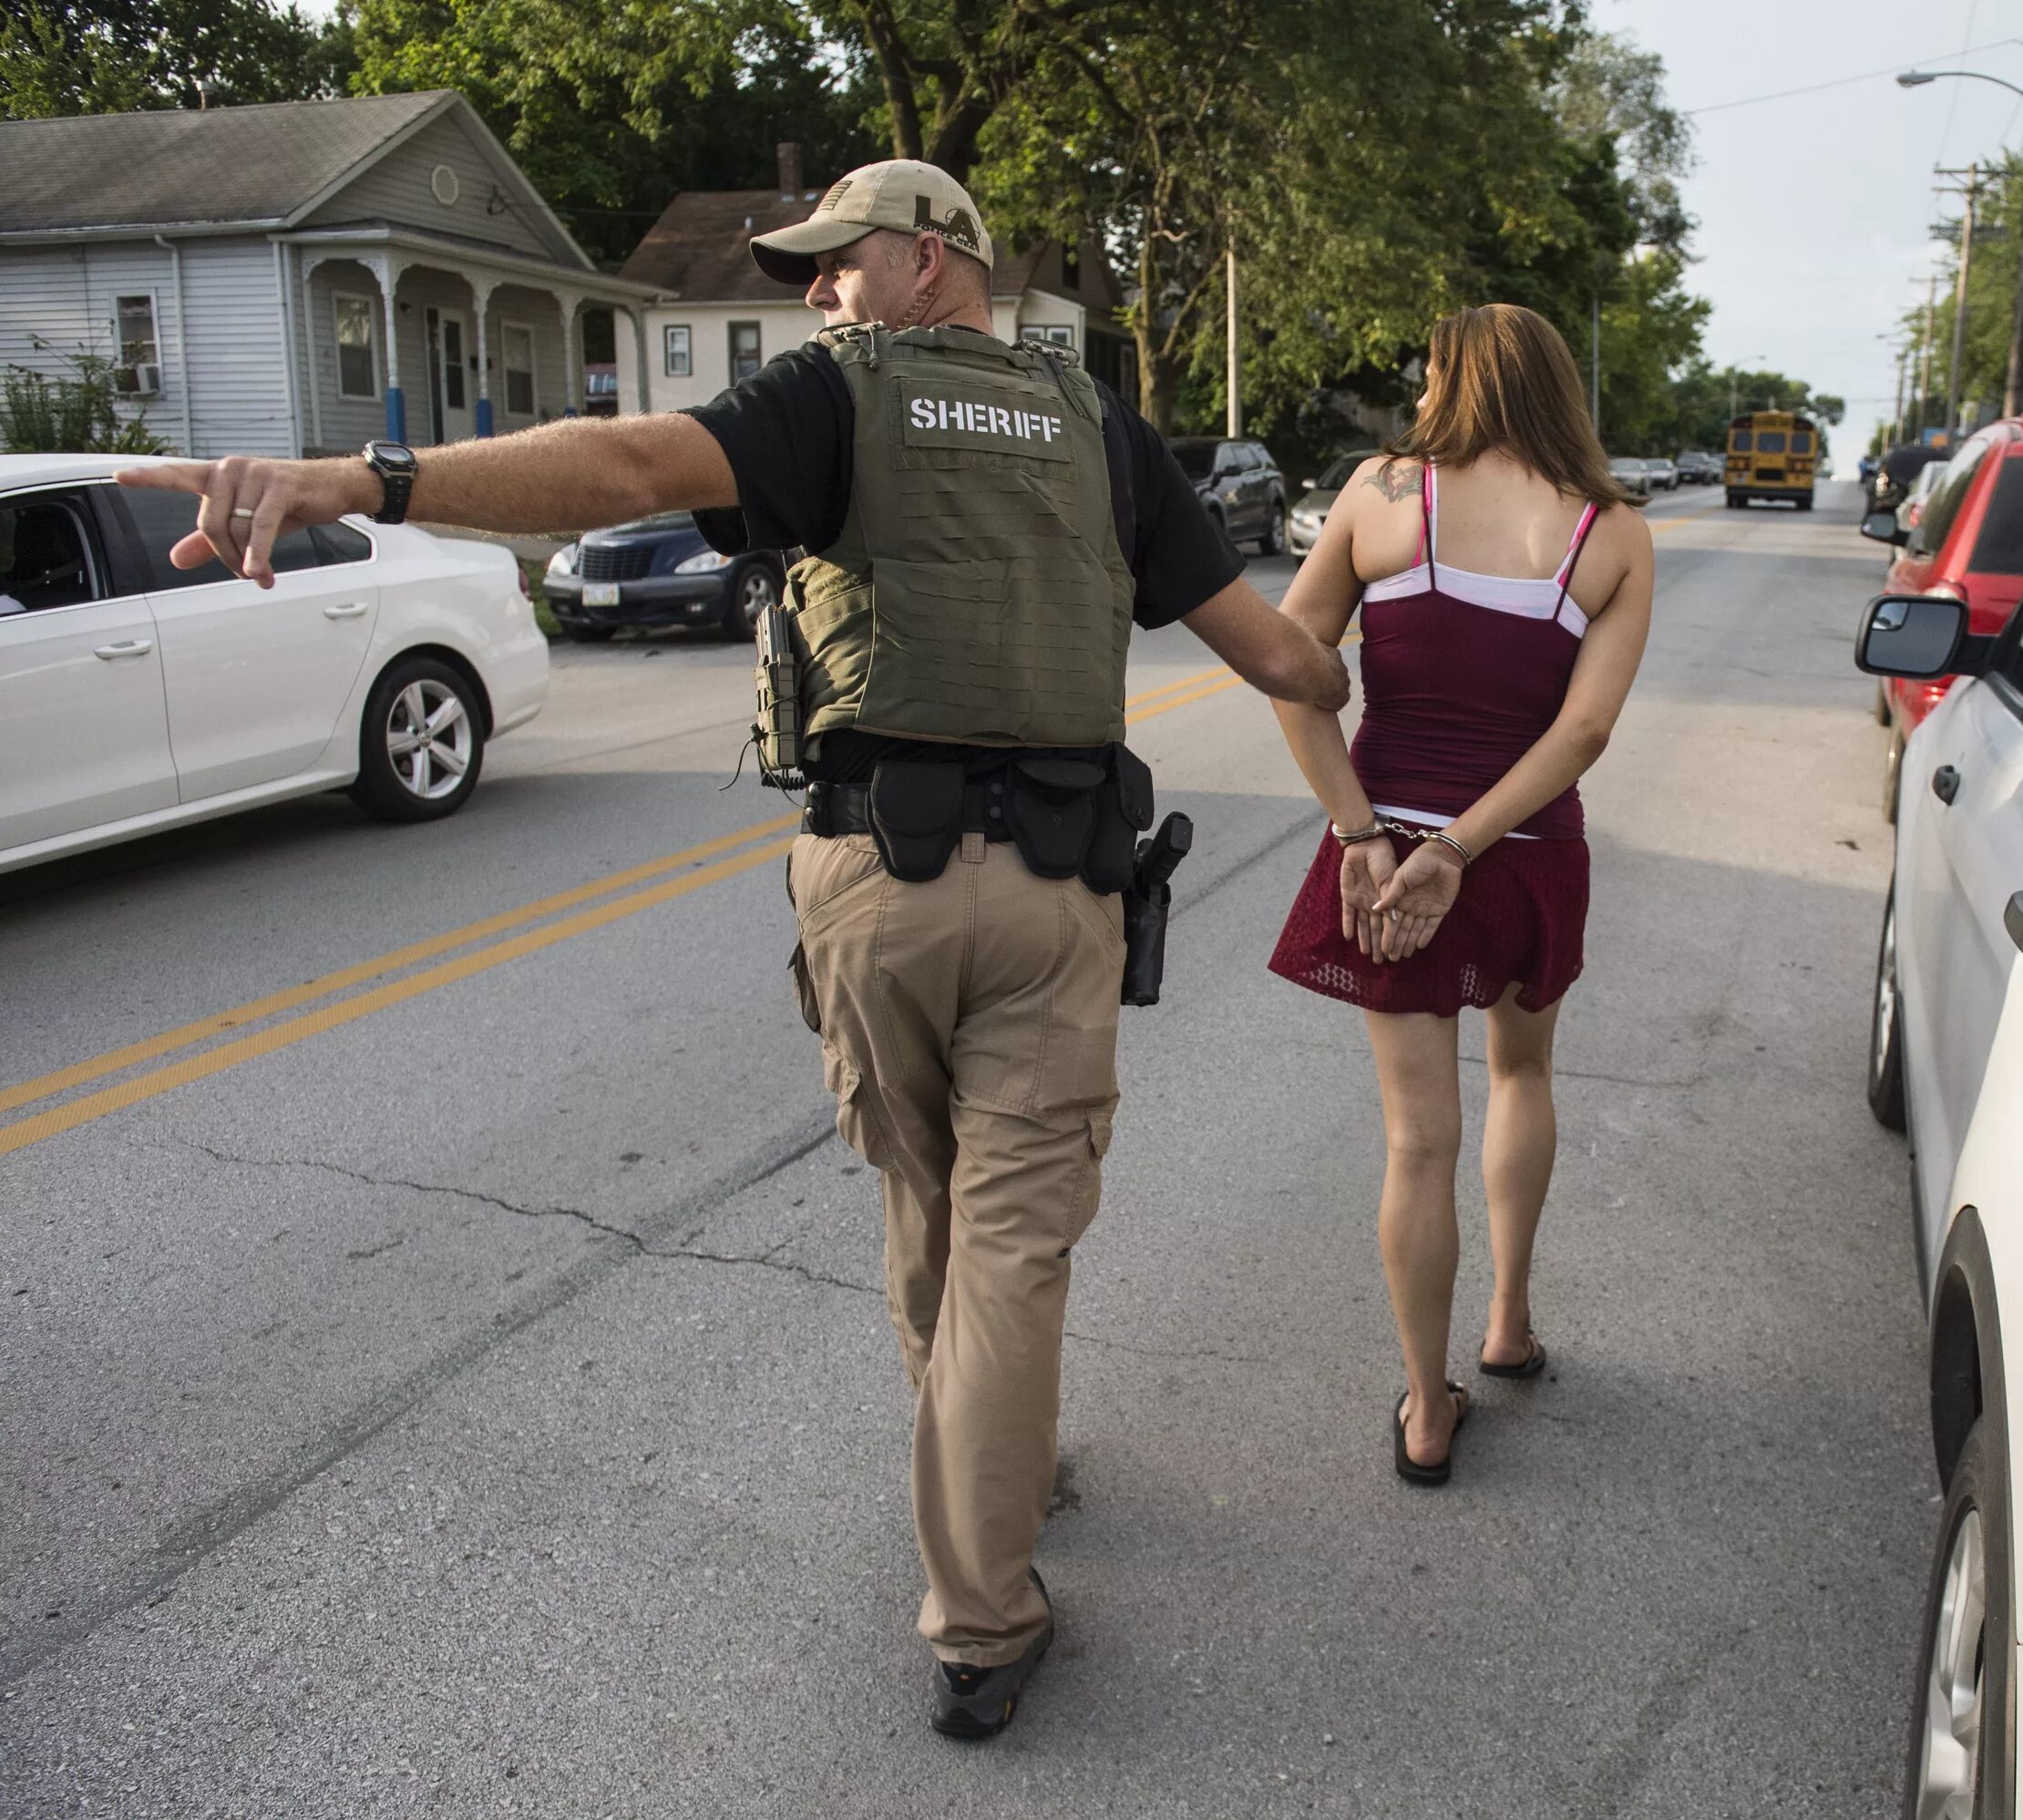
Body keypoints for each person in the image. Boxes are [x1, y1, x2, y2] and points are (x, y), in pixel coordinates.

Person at [118, 159, 1349, 1740]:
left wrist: (363, 481)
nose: (818, 299)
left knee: (928, 1196)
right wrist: (1367, 626)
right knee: (1015, 1241)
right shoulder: (1098, 424)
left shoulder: (839, 401)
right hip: (1058, 894)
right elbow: (1274, 651)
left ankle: (982, 1463)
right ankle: (984, 1605)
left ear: (928, 260)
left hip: (875, 883)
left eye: (838, 266)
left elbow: (623, 460)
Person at [1263, 303, 1653, 1486]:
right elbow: (1584, 730)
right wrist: (1468, 849)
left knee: (1416, 1141)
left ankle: (1426, 1413)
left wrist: (1365, 833)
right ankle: (1508, 1325)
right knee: (1524, 1073)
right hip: (1523, 852)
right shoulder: (1611, 530)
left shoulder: (1381, 493)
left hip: (1389, 852)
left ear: (1451, 377)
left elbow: (1290, 665)